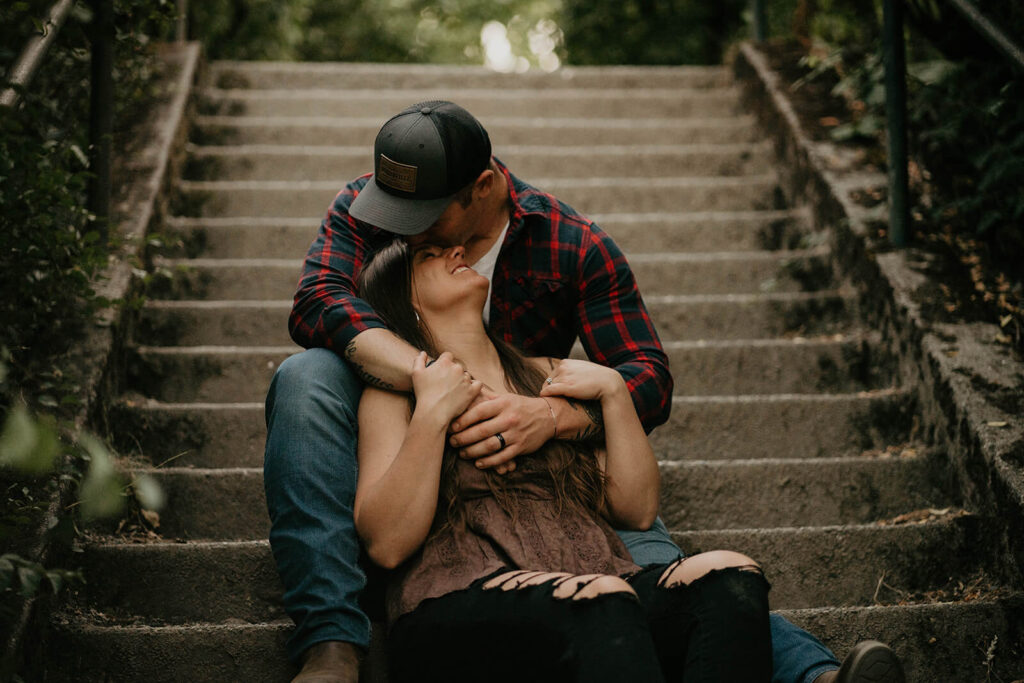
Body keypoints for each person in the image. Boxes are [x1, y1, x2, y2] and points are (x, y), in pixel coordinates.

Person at [264, 100, 905, 683]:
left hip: (550, 466)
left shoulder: (572, 244)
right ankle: (332, 642)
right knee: (306, 375)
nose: (407, 235)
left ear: (484, 187)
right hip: (420, 451)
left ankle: (810, 678)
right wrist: (439, 382)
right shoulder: (379, 210)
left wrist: (554, 415)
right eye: (398, 223)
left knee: (651, 562)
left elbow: (646, 376)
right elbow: (318, 300)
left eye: (427, 220)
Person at [353, 237, 773, 681]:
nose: (457, 251)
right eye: (429, 256)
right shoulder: (394, 396)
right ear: (406, 303)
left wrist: (614, 392)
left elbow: (636, 507)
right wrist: (434, 411)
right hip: (455, 598)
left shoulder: (549, 374)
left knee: (729, 575)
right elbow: (386, 543)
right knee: (601, 599)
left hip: (598, 585)